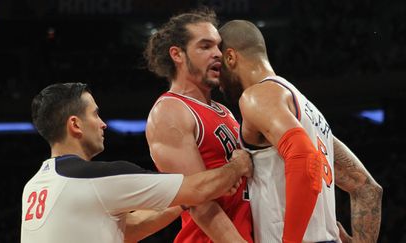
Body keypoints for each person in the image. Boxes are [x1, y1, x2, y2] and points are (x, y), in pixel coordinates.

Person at [20, 82, 253, 243]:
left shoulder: (34, 186)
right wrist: (237, 166)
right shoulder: (97, 179)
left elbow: (128, 230)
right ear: (75, 125)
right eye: (95, 114)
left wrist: (183, 202)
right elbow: (197, 188)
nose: (103, 124)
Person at [218, 20, 383, 243]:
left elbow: (304, 159)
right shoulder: (307, 109)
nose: (218, 83)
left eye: (219, 69)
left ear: (231, 57)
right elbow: (368, 190)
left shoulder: (256, 96)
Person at [144, 8, 253, 243]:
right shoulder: (170, 111)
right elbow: (199, 202)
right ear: (177, 54)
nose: (218, 54)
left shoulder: (223, 110)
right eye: (205, 46)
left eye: (218, 46)